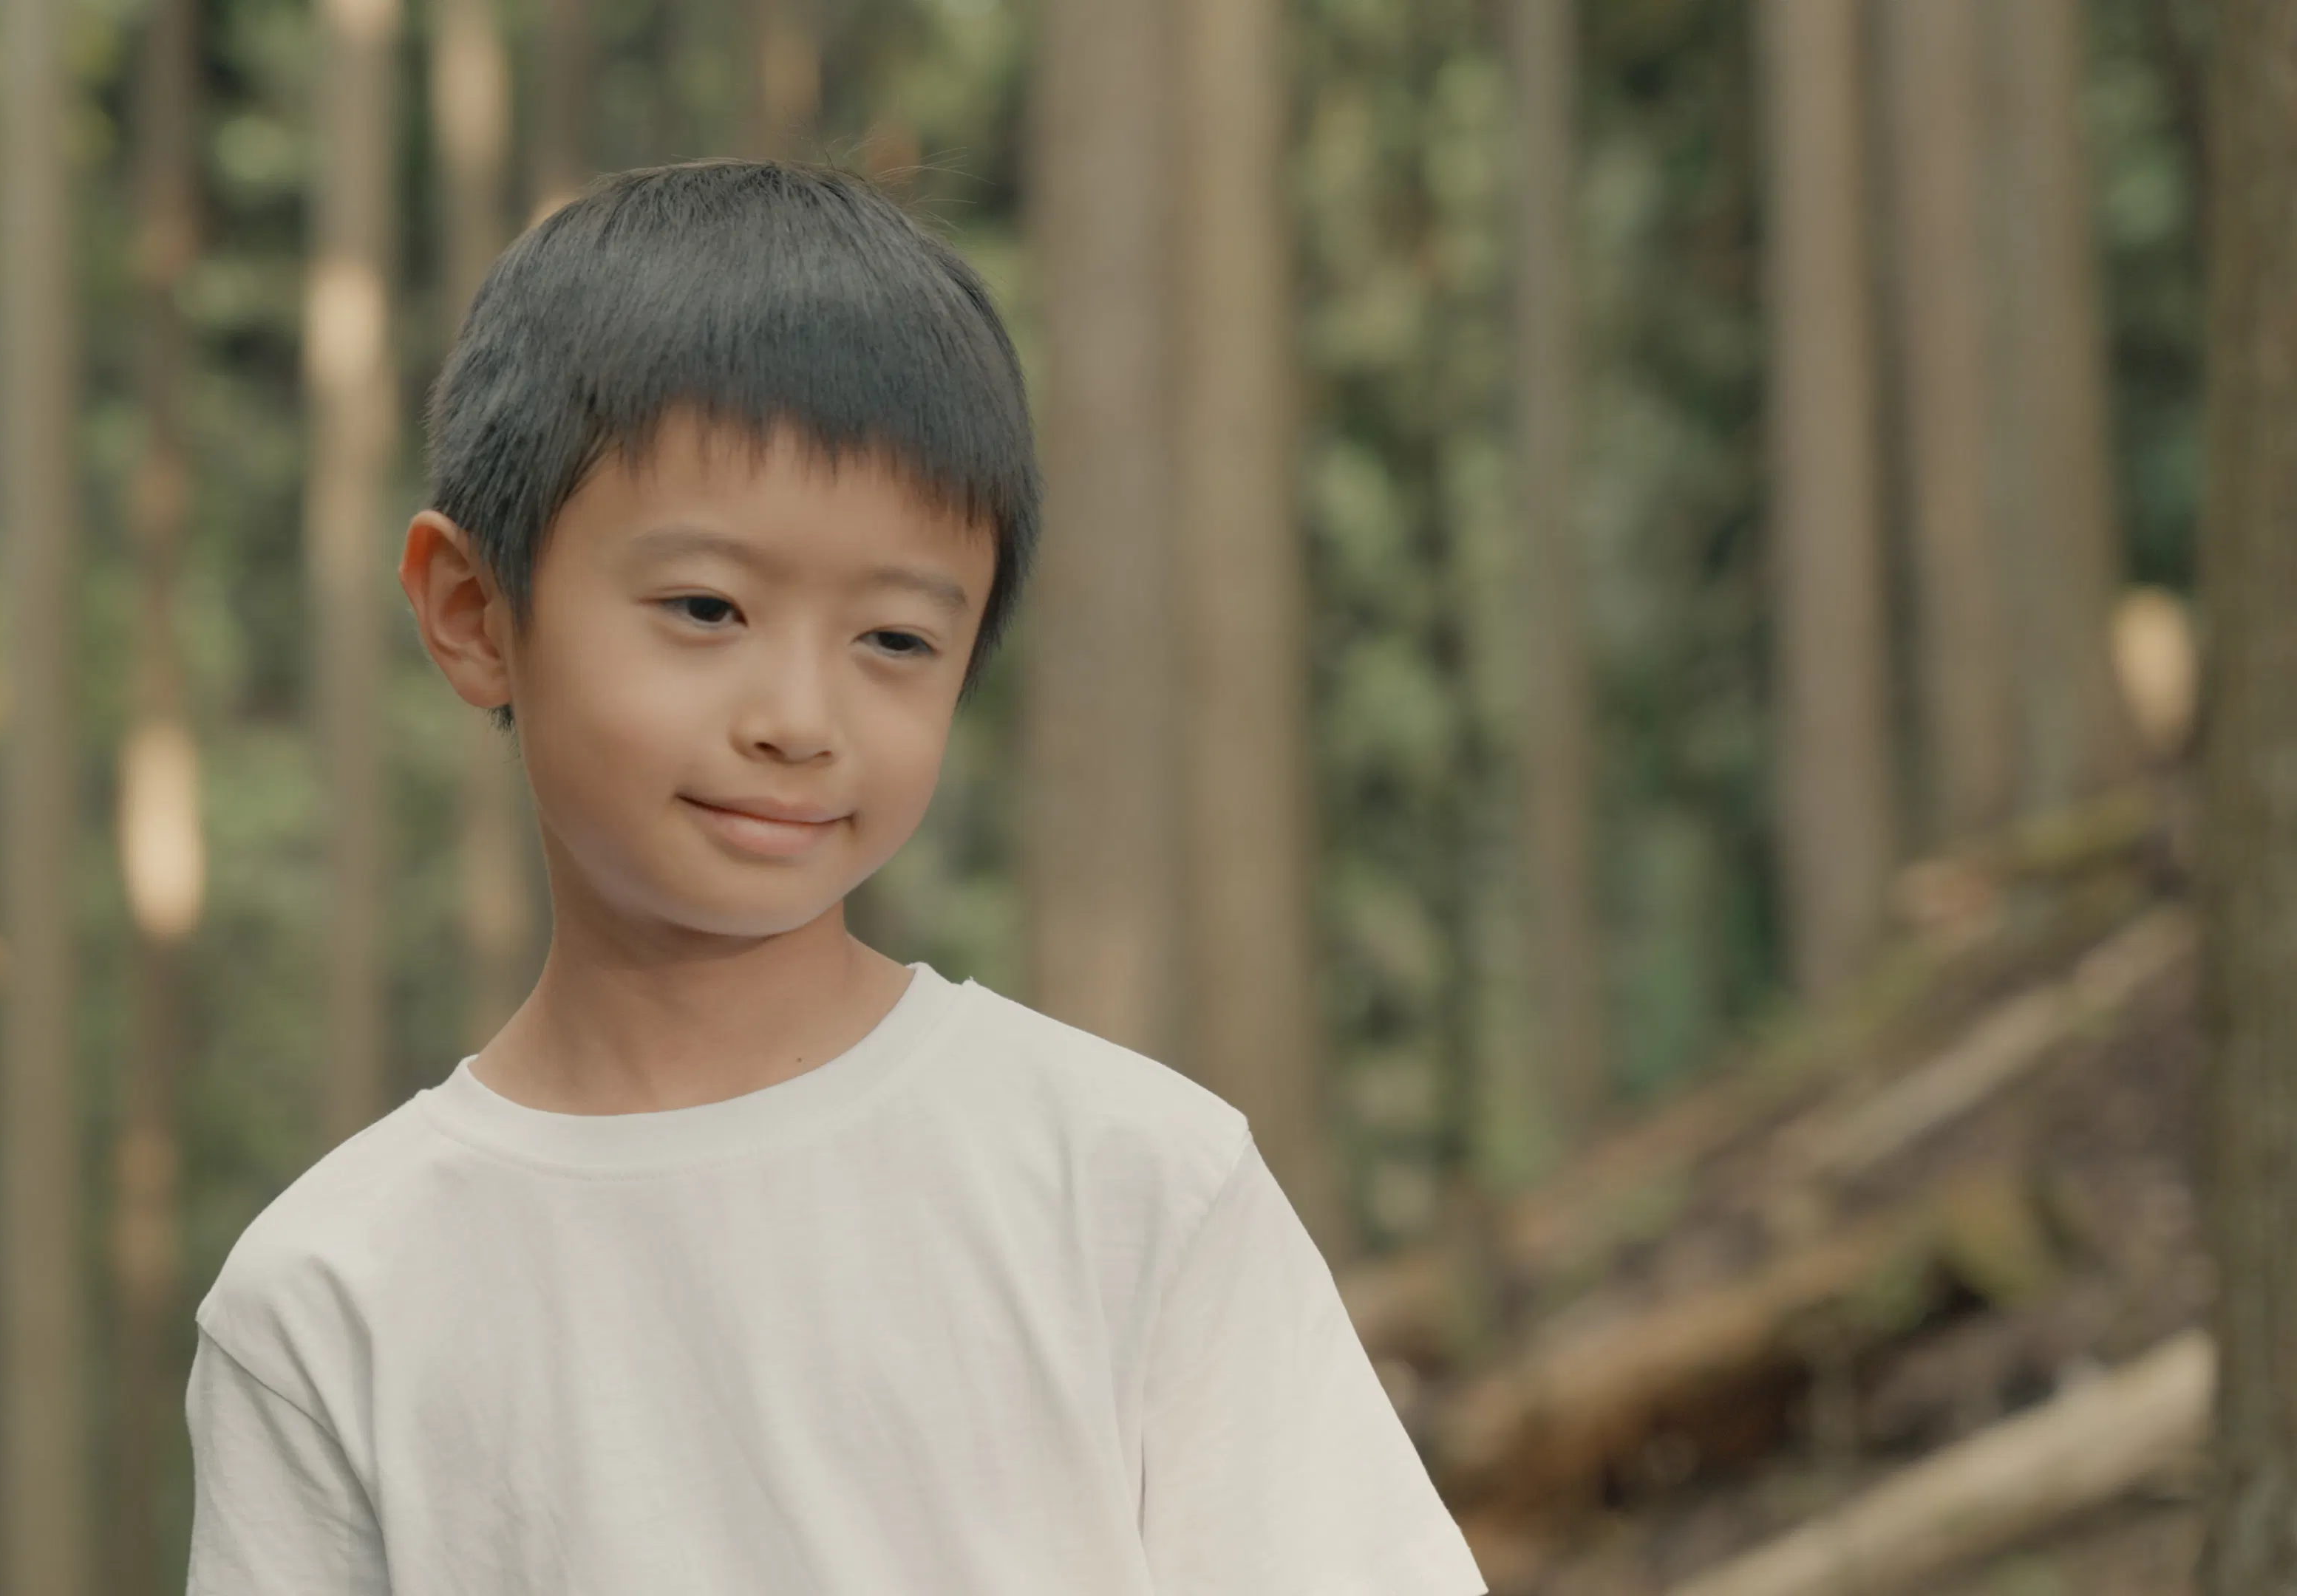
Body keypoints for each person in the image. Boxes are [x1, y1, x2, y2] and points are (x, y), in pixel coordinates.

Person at [183, 158, 1487, 1596]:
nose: (799, 719)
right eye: (706, 608)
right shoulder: (333, 1297)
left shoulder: (1130, 1182)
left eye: (894, 641)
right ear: (475, 612)